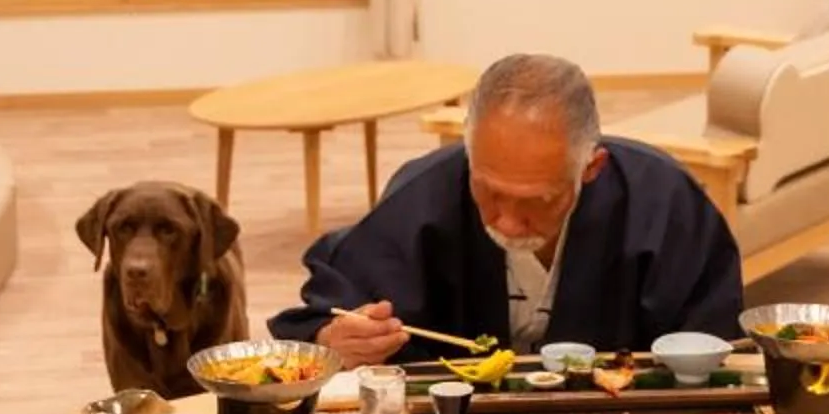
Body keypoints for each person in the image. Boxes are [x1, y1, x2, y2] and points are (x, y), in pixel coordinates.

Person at [269, 53, 743, 365]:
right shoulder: (425, 196)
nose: (508, 222)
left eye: (538, 200)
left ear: (591, 168)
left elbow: (714, 343)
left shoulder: (661, 204)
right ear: (470, 155)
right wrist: (335, 341)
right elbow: (325, 317)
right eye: (490, 192)